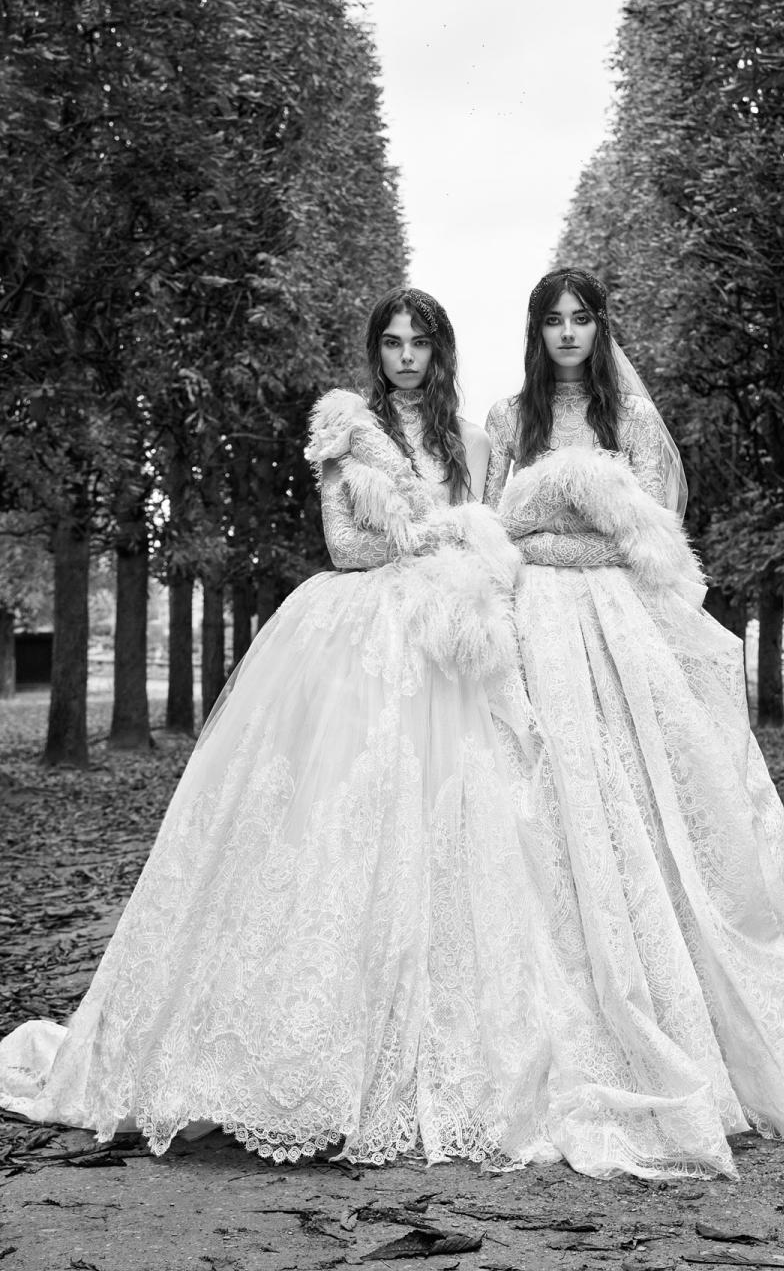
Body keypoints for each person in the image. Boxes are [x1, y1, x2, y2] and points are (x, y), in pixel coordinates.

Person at [0, 288, 555, 1168]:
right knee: (335, 817)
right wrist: (436, 534)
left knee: (455, 825)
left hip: (450, 646)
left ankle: (436, 1045)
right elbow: (347, 546)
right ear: (374, 352)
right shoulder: (346, 432)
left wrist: (451, 544)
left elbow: (487, 546)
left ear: (440, 349)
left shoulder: (478, 444)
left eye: (420, 342)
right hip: (358, 641)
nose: (405, 356)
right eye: (391, 342)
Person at [483, 267, 784, 1165]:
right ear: (536, 330)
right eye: (554, 320)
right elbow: (491, 527)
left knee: (650, 805)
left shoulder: (633, 423)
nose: (570, 334)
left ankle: (682, 1004)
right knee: (544, 808)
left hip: (620, 630)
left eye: (583, 318)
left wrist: (554, 537)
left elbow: (650, 534)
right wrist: (552, 536)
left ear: (601, 326)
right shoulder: (511, 422)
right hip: (533, 631)